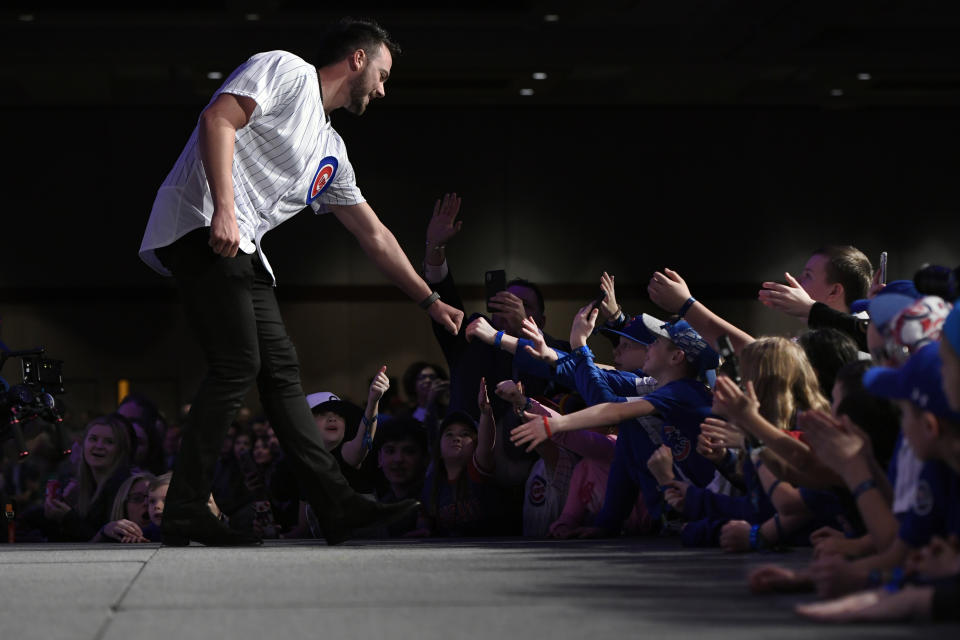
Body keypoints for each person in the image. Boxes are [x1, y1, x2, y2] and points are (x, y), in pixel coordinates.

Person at [137, 18, 462, 546]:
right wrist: (223, 209)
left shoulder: (331, 150)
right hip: (201, 224)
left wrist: (428, 300)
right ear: (357, 59)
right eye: (382, 74)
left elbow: (373, 235)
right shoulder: (287, 70)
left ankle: (336, 507)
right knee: (238, 361)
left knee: (282, 372)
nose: (383, 89)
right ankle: (187, 507)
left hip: (245, 250)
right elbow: (217, 120)